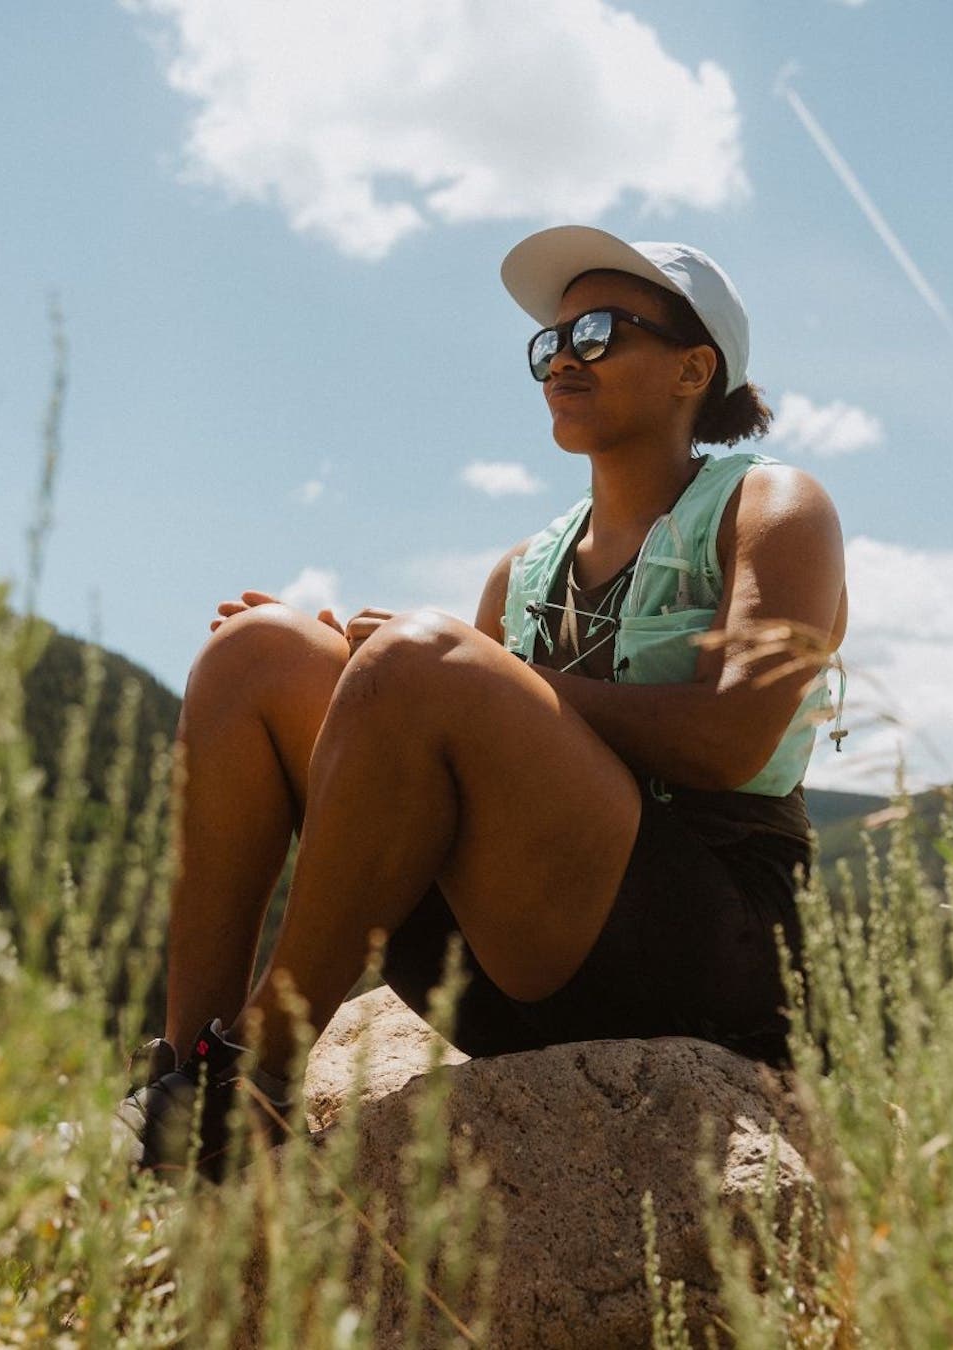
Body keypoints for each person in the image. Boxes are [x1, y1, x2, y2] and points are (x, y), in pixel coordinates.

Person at [120, 227, 848, 1178]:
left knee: (422, 656)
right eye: (551, 343)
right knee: (256, 652)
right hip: (518, 961)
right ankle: (184, 1081)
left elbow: (732, 738)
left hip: (710, 950)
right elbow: (461, 761)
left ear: (692, 368)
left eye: (598, 333)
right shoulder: (525, 569)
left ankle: (251, 1075)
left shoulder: (772, 507)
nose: (564, 359)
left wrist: (456, 671)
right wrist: (371, 682)